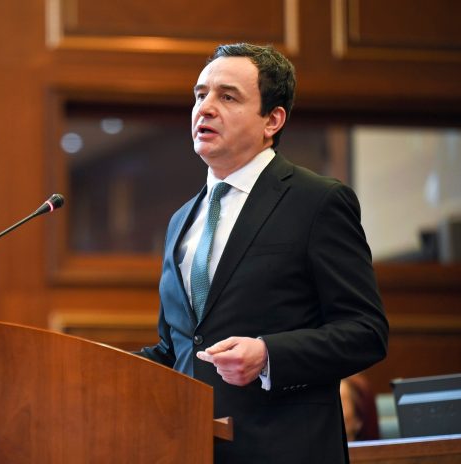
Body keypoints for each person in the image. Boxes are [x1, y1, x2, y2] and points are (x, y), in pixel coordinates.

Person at [136, 43, 389, 463]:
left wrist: (269, 355)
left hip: (285, 449)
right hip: (191, 449)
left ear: (272, 119)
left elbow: (366, 331)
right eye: (200, 95)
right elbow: (176, 348)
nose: (205, 108)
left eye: (227, 96)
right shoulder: (182, 220)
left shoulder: (317, 201)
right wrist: (87, 368)